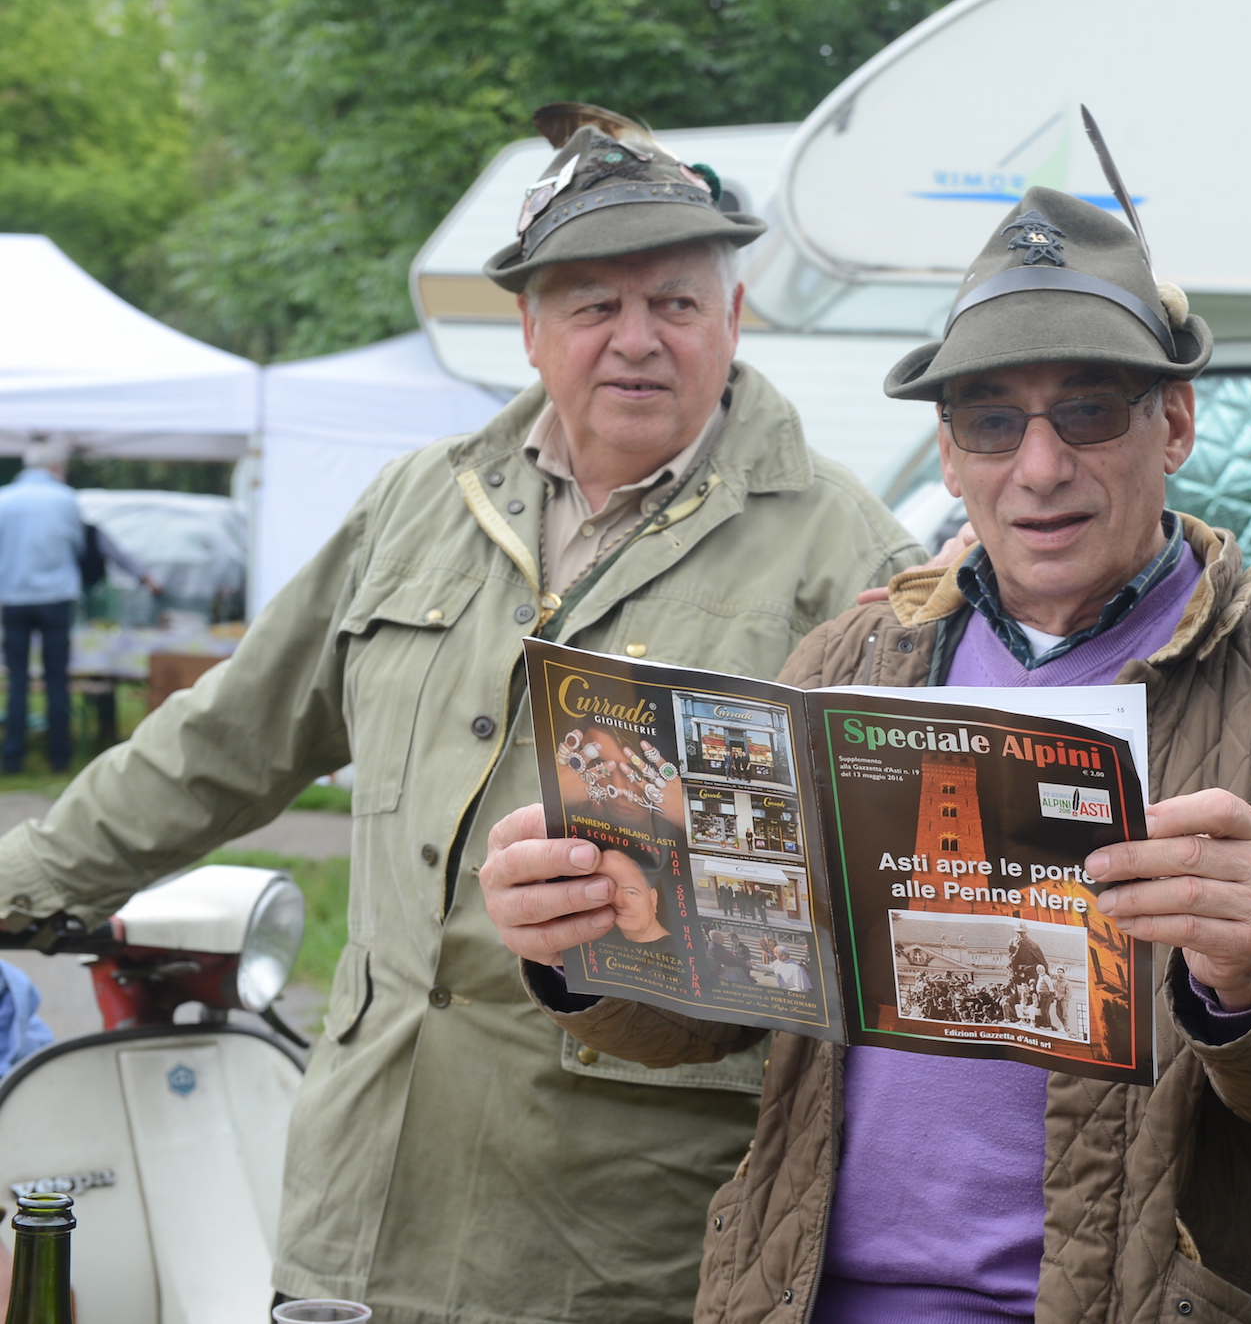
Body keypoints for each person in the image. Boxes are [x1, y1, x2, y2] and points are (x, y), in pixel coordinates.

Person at [0, 102, 923, 1323]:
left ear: (735, 319)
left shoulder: (841, 548)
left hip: (619, 1241)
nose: (636, 340)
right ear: (530, 328)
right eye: (594, 304)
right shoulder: (416, 506)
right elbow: (216, 744)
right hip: (352, 1213)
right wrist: (17, 883)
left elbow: (896, 893)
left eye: (676, 303)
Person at [483, 175, 1251, 1322]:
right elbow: (718, 1007)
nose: (1040, 466)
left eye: (1090, 410)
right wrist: (587, 939)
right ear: (949, 452)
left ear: (1174, 423)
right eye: (991, 421)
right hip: (808, 1296)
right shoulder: (852, 658)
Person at [0, 438, 84, 774]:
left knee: (17, 678)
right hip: (56, 597)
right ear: (55, 467)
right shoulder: (65, 499)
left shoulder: (4, 498)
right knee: (56, 679)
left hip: (14, 597)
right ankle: (60, 755)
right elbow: (77, 545)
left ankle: (13, 756)